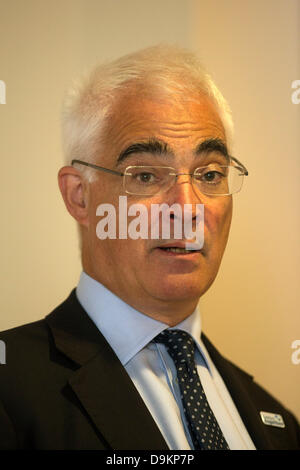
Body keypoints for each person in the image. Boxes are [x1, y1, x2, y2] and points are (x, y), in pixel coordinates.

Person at [0, 45, 299, 451]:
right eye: (144, 176)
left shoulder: (278, 422)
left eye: (210, 174)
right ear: (79, 196)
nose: (188, 208)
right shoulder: (11, 390)